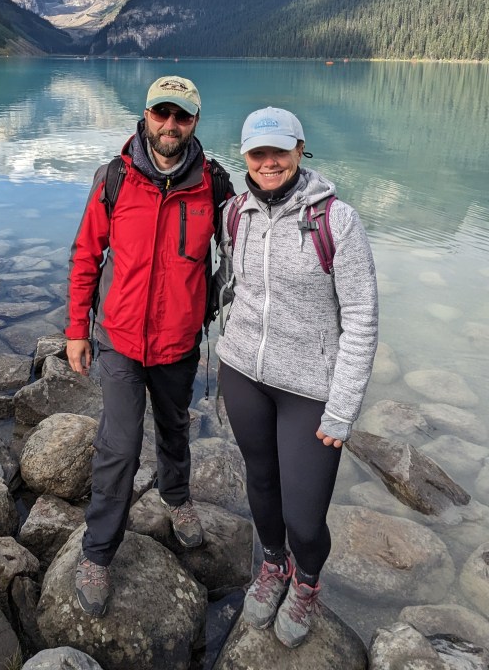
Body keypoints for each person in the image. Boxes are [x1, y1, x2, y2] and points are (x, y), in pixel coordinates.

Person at [65, 74, 232, 617]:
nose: (170, 125)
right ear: (146, 115)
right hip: (118, 339)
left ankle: (176, 497)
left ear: (195, 121)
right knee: (118, 447)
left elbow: (245, 253)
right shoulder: (114, 178)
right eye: (162, 113)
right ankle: (97, 553)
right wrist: (76, 330)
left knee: (175, 426)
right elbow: (86, 254)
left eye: (181, 115)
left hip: (179, 342)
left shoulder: (216, 184)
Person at [215, 106, 378, 648]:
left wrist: (343, 408)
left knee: (305, 518)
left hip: (310, 390)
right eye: (258, 153)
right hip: (243, 374)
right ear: (244, 156)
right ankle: (273, 565)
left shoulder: (337, 221)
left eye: (279, 151)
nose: (269, 162)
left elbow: (361, 319)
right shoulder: (234, 213)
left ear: (300, 151)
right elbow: (234, 286)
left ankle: (306, 582)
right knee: (261, 484)